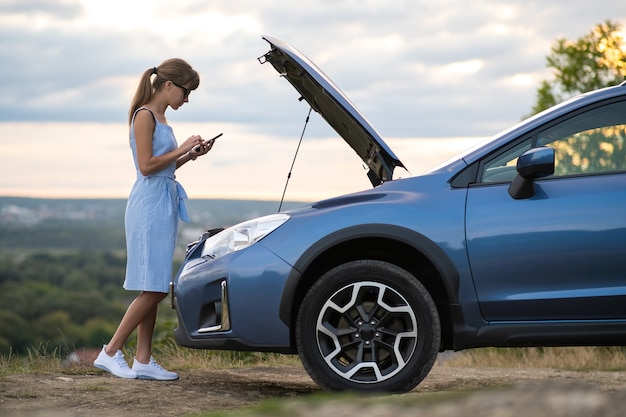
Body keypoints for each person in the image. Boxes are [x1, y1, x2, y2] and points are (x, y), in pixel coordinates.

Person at [94, 58, 214, 380]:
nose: (186, 100)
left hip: (162, 202)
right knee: (155, 288)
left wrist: (190, 154)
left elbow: (165, 170)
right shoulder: (144, 116)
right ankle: (110, 352)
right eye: (186, 92)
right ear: (169, 85)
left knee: (156, 283)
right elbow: (146, 166)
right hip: (148, 205)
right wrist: (181, 148)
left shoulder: (162, 118)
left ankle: (143, 359)